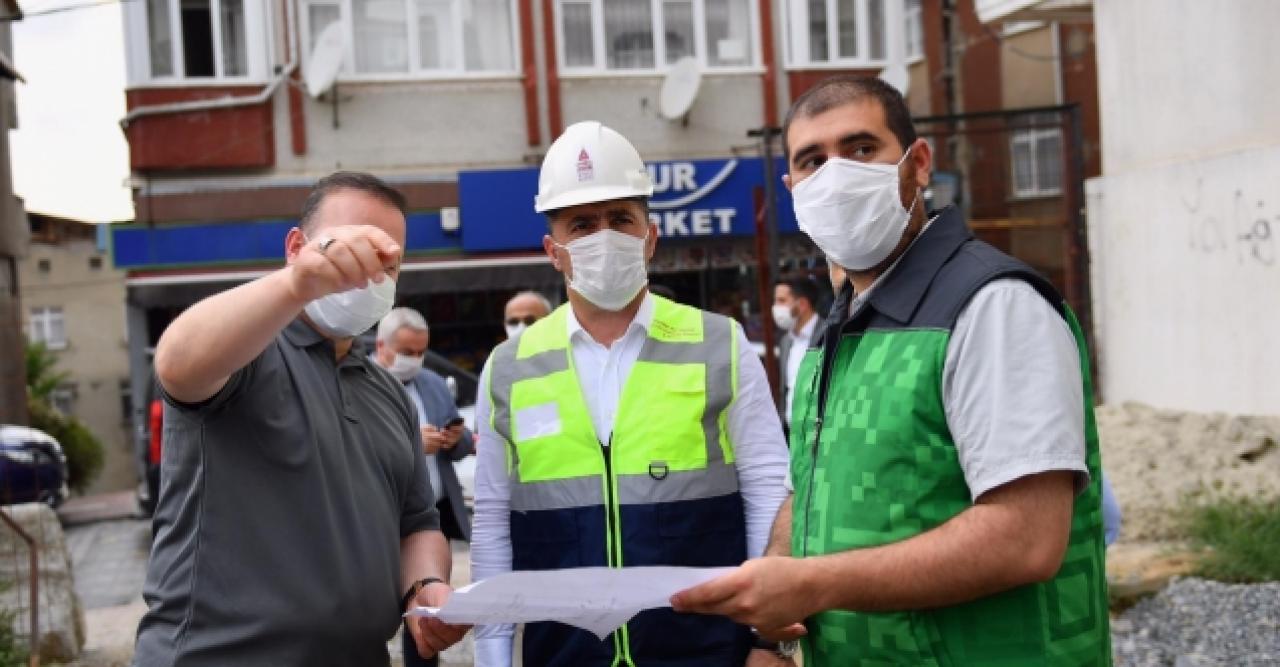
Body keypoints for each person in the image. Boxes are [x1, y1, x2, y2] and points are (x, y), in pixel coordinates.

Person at [672, 75, 1112, 665]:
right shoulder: (838, 328)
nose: (837, 176)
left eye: (860, 149)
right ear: (793, 189)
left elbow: (1027, 538)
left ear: (918, 163)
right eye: (812, 161)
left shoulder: (992, 305)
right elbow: (811, 487)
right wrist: (770, 619)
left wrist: (814, 584)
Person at [471, 121, 792, 667]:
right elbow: (493, 524)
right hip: (564, 657)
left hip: (708, 653)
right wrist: (493, 656)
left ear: (651, 237)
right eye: (581, 224)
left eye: (621, 218)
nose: (604, 235)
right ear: (554, 251)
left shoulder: (720, 343)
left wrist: (768, 639)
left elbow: (767, 490)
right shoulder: (508, 367)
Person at [135, 172, 468, 665]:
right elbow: (178, 364)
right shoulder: (248, 353)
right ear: (296, 247)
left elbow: (416, 523)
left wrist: (426, 586)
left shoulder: (388, 394)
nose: (367, 272)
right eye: (349, 249)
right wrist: (296, 284)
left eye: (387, 263)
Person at [372, 307, 476, 667]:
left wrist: (456, 439)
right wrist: (411, 443)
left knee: (426, 602)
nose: (414, 360)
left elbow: (462, 444)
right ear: (381, 346)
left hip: (430, 515)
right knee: (377, 606)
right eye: (406, 352)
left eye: (420, 352)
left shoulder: (432, 382)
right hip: (380, 516)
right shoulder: (358, 383)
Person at [772, 277, 820, 429]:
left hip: (819, 431)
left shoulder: (828, 335)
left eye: (782, 301)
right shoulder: (786, 341)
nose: (775, 307)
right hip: (790, 430)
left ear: (802, 304)